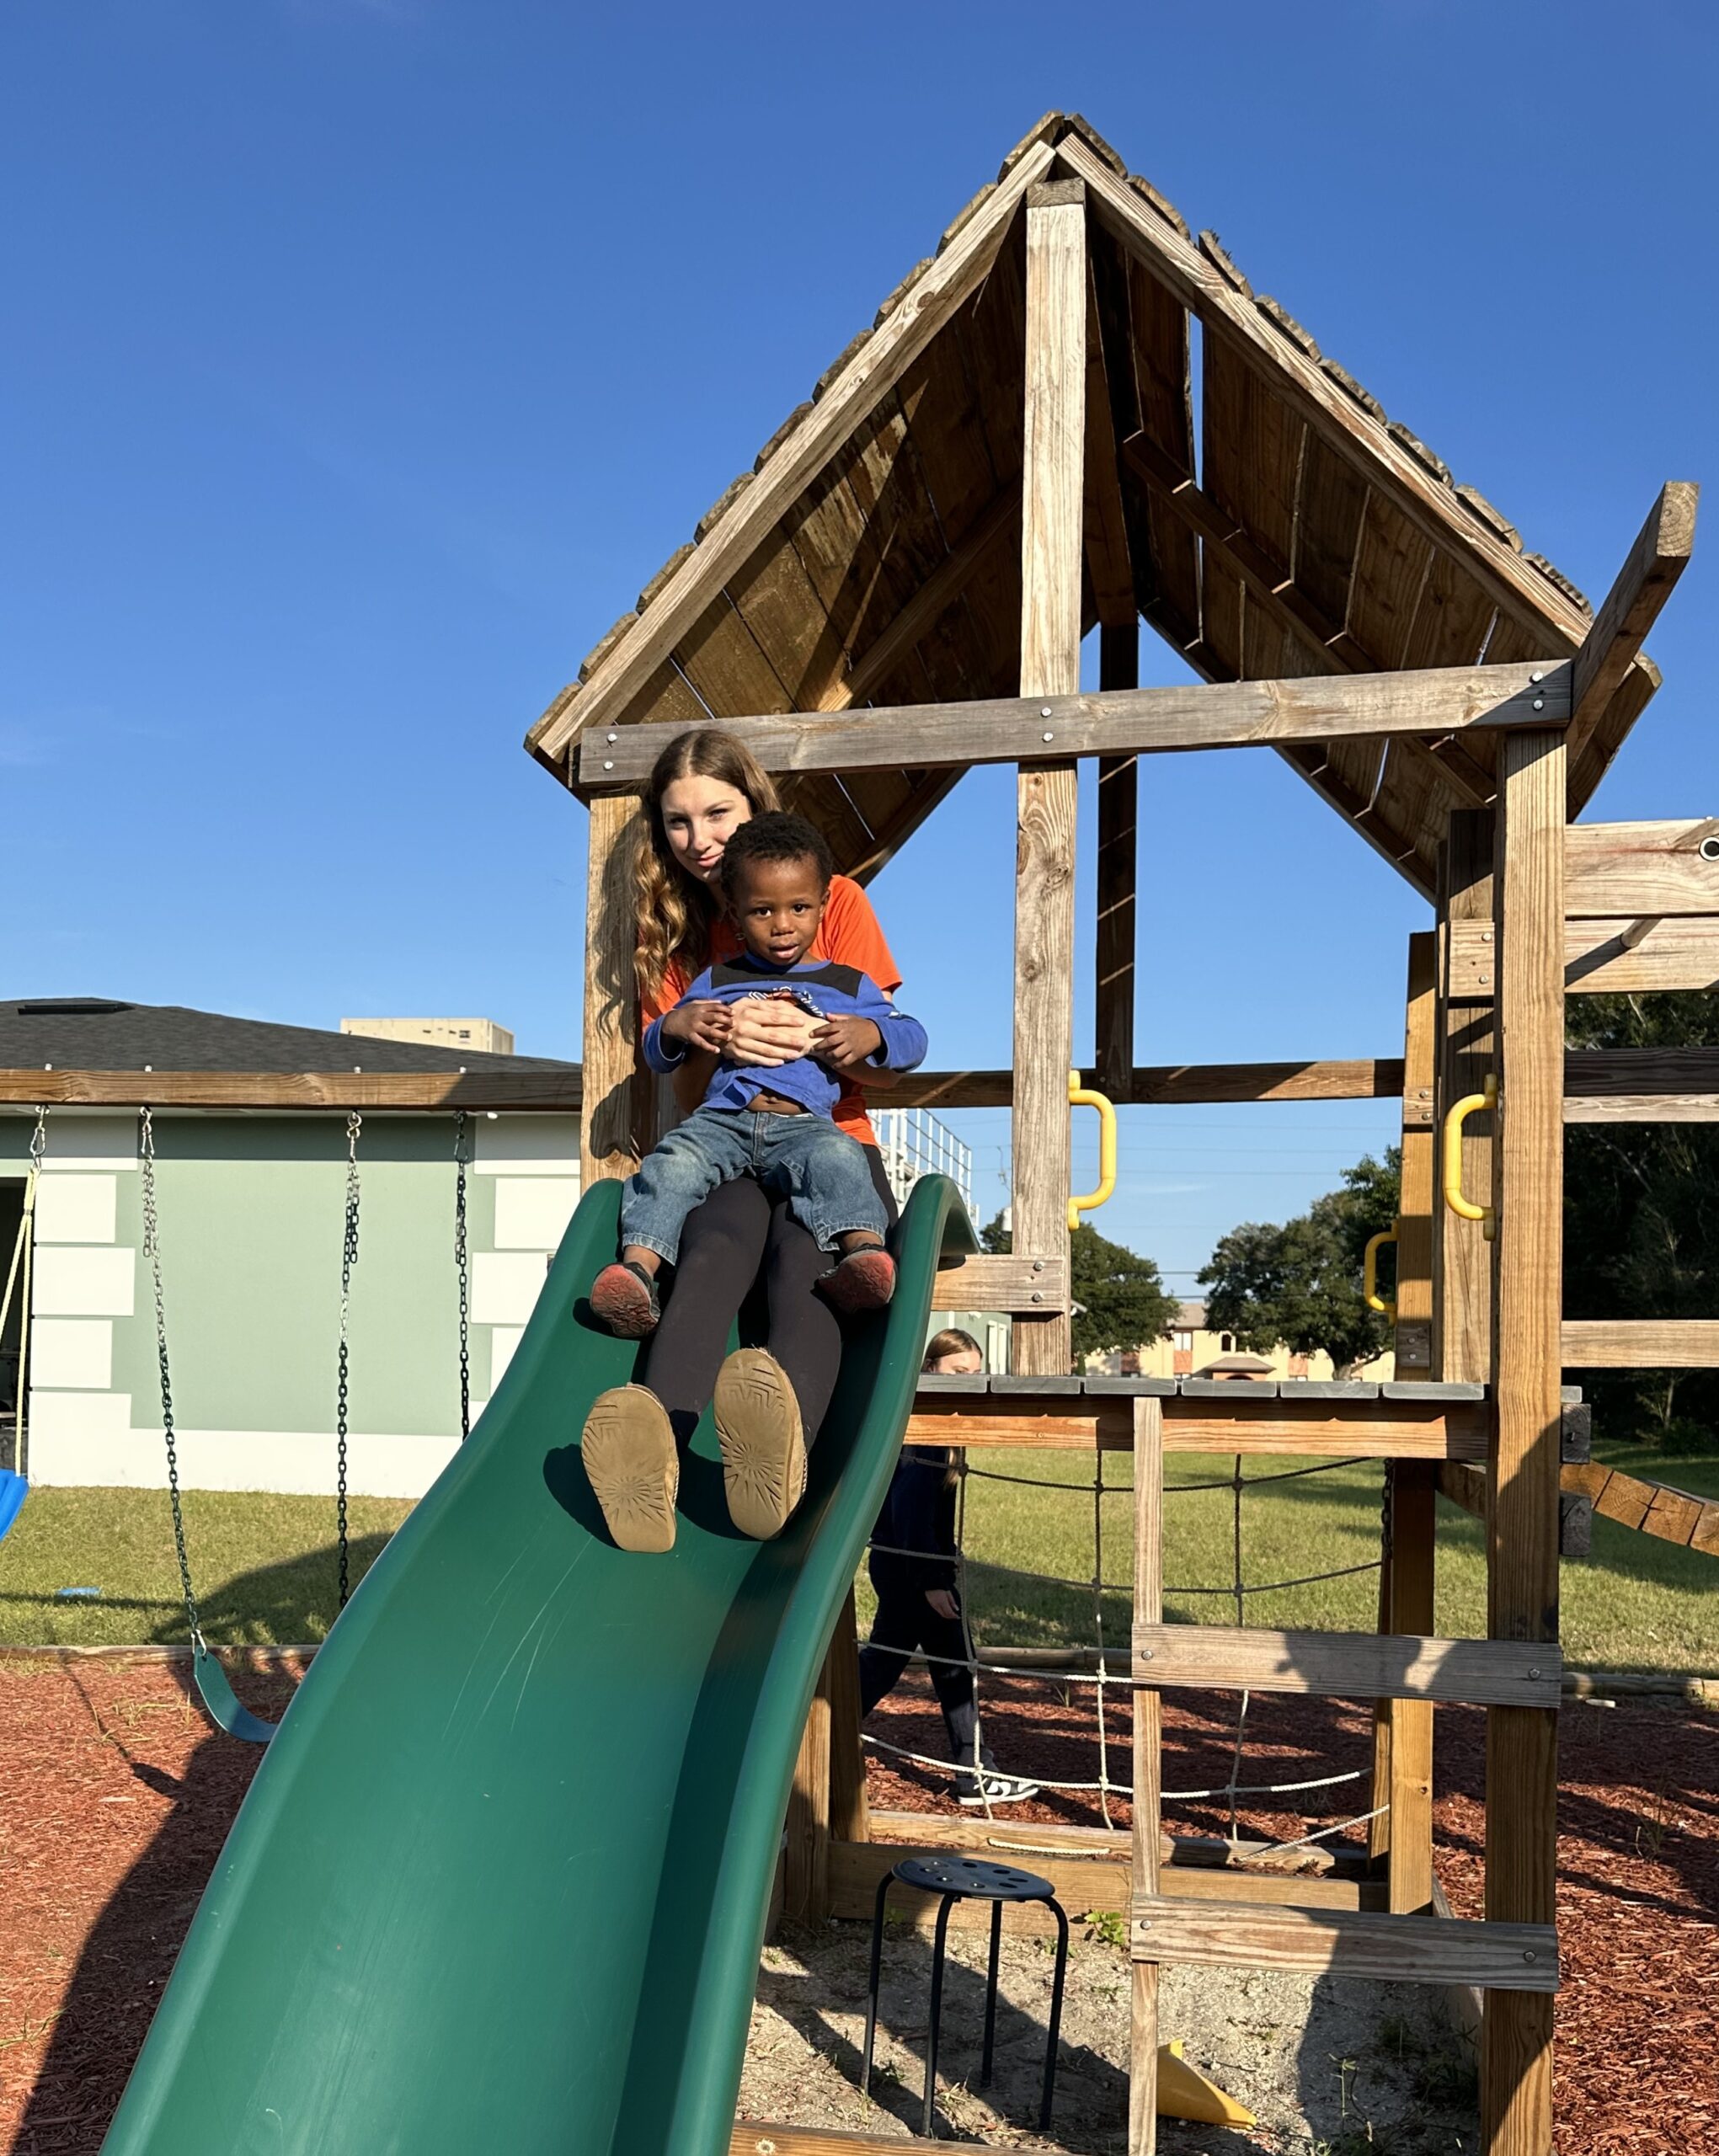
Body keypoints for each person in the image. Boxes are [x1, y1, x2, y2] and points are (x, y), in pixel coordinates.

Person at [579, 728, 910, 1556]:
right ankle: (653, 1452)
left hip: (827, 1135)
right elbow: (679, 1082)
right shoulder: (683, 944)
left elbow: (893, 1050)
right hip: (726, 1133)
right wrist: (713, 1034)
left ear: (755, 804)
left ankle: (778, 1450)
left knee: (805, 1259)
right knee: (716, 1247)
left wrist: (844, 1036)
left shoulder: (831, 903)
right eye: (677, 822)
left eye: (717, 811)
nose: (699, 839)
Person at [589, 812, 926, 1338]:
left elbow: (913, 1038)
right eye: (762, 911)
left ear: (823, 907)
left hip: (803, 1126)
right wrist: (678, 1024)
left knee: (840, 1158)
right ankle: (637, 1269)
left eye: (799, 908)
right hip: (724, 1120)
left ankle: (862, 1253)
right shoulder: (719, 980)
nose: (783, 924)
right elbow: (658, 1054)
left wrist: (873, 1035)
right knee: (672, 1164)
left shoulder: (846, 984)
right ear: (736, 914)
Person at [859, 1330, 1040, 1806]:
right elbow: (909, 1512)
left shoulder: (927, 1426)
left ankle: (817, 1733)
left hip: (899, 1563)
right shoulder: (930, 1430)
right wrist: (932, 1582)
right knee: (954, 1668)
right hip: (910, 1570)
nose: (968, 1381)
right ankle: (975, 1773)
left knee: (886, 1663)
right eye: (959, 1372)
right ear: (931, 1368)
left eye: (975, 1373)